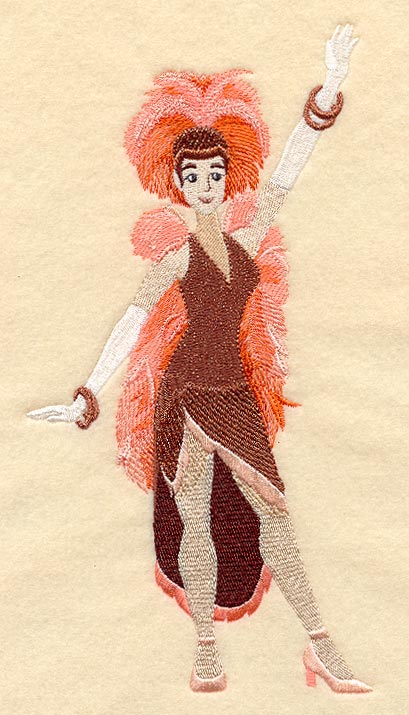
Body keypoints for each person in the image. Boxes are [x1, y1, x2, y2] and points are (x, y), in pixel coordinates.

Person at [28, 25, 372, 694]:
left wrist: (330, 85)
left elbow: (287, 174)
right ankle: (207, 649)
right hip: (184, 395)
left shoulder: (247, 235)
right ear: (178, 186)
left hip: (236, 394)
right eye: (193, 177)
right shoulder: (176, 259)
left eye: (215, 174)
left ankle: (320, 645)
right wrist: (86, 396)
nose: (206, 185)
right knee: (195, 519)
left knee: (275, 517)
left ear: (226, 175)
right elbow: (131, 322)